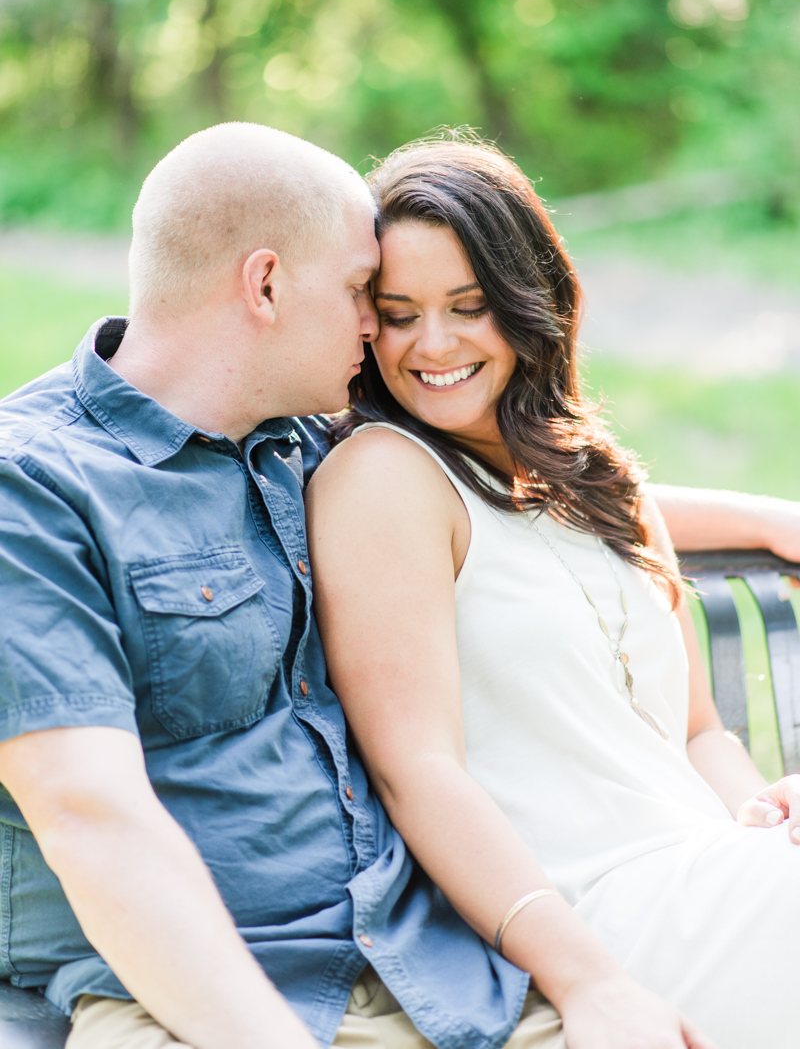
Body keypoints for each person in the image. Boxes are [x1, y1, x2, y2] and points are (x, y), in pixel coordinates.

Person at [0, 123, 542, 1049]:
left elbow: (500, 498)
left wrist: (765, 520)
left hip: (427, 972)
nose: (376, 325)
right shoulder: (37, 487)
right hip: (194, 1003)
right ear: (264, 284)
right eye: (359, 291)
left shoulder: (298, 442)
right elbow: (91, 812)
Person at [307, 134, 800, 1049]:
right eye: (400, 313)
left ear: (530, 299)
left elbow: (694, 732)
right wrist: (593, 984)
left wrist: (770, 813)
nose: (435, 344)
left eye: (468, 305)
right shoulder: (384, 477)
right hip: (585, 925)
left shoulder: (596, 482)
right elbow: (415, 771)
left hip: (717, 877)